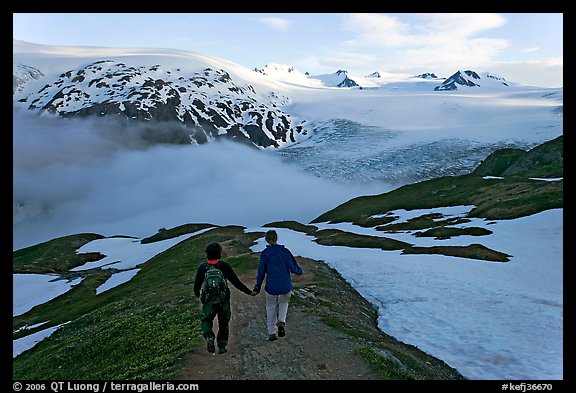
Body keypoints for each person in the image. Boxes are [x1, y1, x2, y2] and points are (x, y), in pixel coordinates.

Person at [194, 242, 255, 354]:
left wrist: (200, 296)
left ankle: (209, 337)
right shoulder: (224, 266)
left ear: (207, 254)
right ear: (219, 254)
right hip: (223, 300)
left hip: (209, 301)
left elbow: (196, 286)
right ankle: (222, 346)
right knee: (223, 322)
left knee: (206, 319)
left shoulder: (203, 267)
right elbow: (236, 282)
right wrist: (249, 292)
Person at [252, 230, 303, 341]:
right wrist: (300, 271)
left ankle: (272, 333)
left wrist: (257, 287)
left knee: (270, 307)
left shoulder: (265, 254)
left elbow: (261, 272)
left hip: (271, 286)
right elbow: (293, 267)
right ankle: (281, 321)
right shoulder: (284, 252)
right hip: (285, 285)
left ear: (266, 239)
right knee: (284, 302)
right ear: (276, 238)